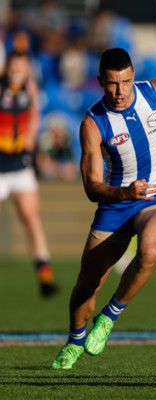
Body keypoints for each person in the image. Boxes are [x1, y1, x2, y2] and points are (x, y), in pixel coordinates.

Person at [50, 48, 156, 369]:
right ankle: (75, 341)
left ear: (134, 77)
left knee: (150, 248)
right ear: (101, 81)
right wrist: (124, 191)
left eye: (126, 82)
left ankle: (109, 316)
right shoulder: (93, 123)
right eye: (113, 84)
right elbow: (92, 187)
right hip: (116, 203)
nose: (120, 92)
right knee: (88, 284)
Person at [0, 51, 59, 297]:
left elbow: (34, 114)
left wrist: (31, 138)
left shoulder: (30, 88)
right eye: (13, 65)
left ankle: (45, 277)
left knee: (31, 220)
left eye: (21, 66)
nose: (17, 69)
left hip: (21, 166)